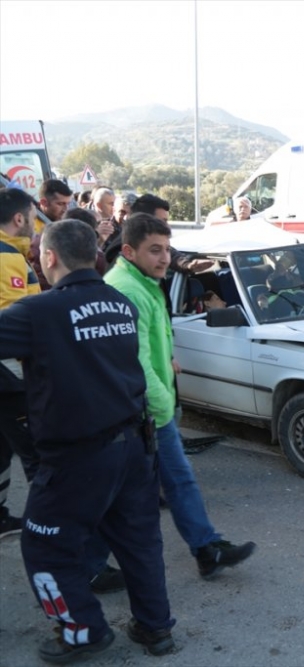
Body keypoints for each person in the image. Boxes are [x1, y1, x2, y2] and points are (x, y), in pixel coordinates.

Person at [0, 218, 176, 661]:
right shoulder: (120, 303)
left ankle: (83, 631)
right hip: (134, 447)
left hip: (77, 459)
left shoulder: (38, 311)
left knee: (44, 544)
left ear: (49, 257)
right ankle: (156, 629)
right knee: (139, 543)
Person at [103, 213, 256, 580]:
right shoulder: (125, 289)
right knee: (119, 495)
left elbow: (149, 341)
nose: (164, 259)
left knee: (173, 482)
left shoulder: (142, 280)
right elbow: (135, 362)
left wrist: (167, 358)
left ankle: (206, 549)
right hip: (142, 410)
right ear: (128, 250)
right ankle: (89, 564)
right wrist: (163, 407)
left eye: (167, 250)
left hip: (151, 407)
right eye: (154, 250)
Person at [0, 187, 41, 535]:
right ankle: (56, 537)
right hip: (11, 377)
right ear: (18, 219)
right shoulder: (7, 257)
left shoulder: (11, 253)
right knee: (37, 457)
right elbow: (16, 323)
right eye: (32, 217)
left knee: (1, 446)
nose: (34, 224)